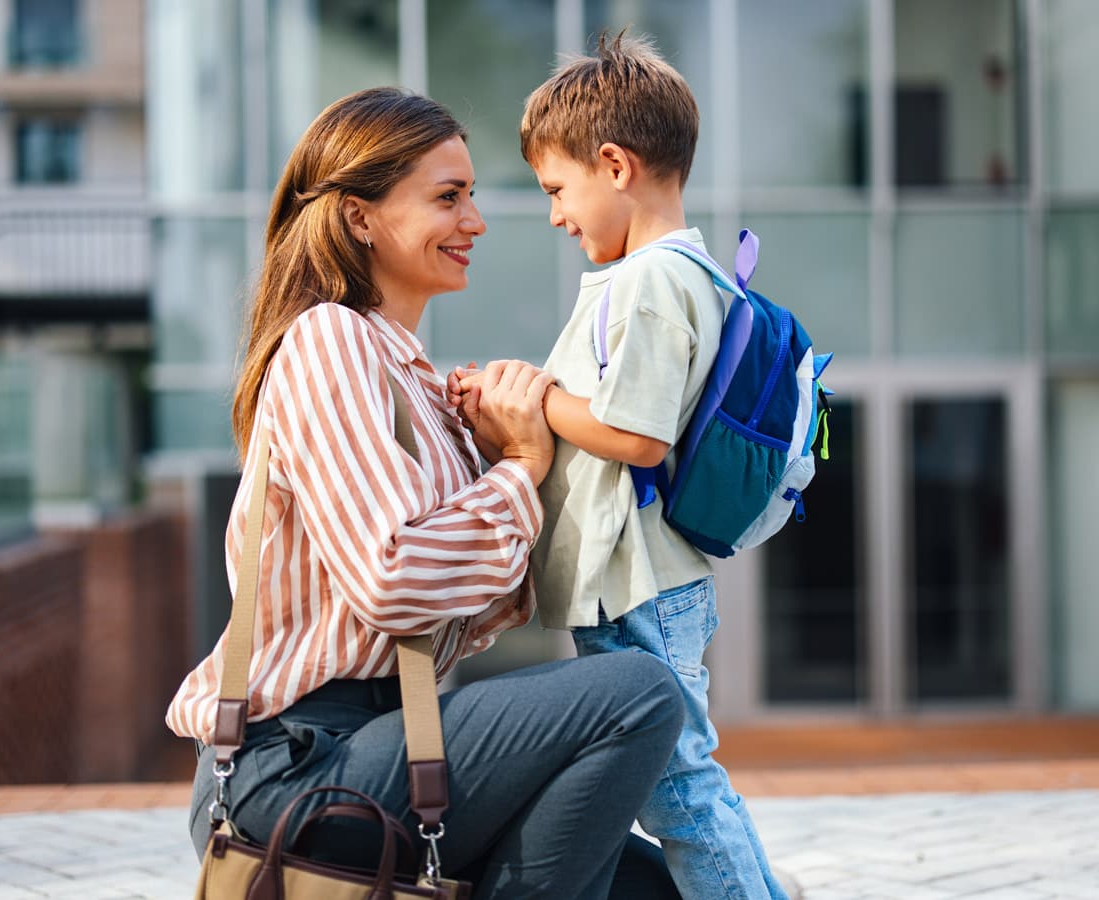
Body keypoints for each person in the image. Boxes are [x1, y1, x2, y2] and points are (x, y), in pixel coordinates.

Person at [165, 86, 688, 900]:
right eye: (449, 198)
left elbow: (465, 610)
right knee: (638, 696)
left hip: (391, 743)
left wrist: (501, 458)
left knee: (663, 888)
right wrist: (517, 468)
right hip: (302, 765)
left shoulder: (410, 379)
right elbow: (393, 580)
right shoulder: (328, 340)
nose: (475, 221)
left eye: (471, 196)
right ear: (358, 218)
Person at [450, 33, 788, 900]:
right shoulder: (678, 275)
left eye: (558, 191)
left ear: (614, 164)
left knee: (681, 791)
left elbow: (635, 437)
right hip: (634, 581)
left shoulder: (651, 282)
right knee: (686, 783)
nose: (557, 215)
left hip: (640, 584)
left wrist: (521, 398)